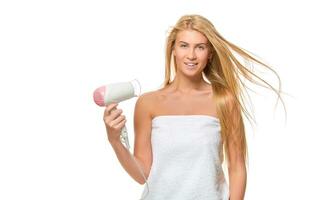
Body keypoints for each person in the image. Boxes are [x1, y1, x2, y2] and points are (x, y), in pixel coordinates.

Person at [103, 14, 285, 200]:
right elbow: (142, 175)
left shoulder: (224, 100)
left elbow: (237, 167)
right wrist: (115, 140)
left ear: (210, 53)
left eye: (200, 47)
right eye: (184, 45)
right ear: (173, 49)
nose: (191, 55)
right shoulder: (148, 103)